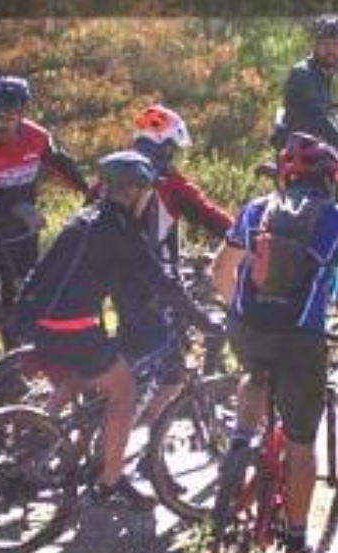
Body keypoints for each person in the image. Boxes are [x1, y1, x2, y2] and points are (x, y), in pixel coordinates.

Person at [13, 151, 221, 509]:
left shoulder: (83, 219)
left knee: (85, 372)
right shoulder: (121, 231)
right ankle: (109, 481)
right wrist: (203, 321)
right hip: (71, 325)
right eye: (148, 193)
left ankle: (36, 438)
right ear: (137, 192)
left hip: (35, 318)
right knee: (123, 390)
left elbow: (44, 270)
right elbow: (160, 281)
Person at [209, 132, 338, 553]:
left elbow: (220, 272)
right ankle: (296, 543)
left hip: (247, 329)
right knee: (301, 442)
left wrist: (243, 312)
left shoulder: (255, 210)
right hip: (300, 337)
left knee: (254, 373)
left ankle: (241, 445)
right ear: (331, 179)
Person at [0, 75, 89, 361]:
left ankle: (11, 374)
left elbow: (61, 165)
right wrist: (14, 207)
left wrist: (90, 192)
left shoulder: (38, 137)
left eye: (8, 116)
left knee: (21, 304)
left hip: (22, 236)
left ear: (22, 113)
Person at [121, 105, 234, 426]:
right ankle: (136, 444)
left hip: (111, 279)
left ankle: (134, 435)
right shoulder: (170, 183)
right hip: (153, 284)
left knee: (134, 356)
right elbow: (212, 217)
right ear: (167, 146)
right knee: (170, 369)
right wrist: (252, 238)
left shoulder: (115, 173)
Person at [272, 14, 338, 154]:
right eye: (326, 44)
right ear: (315, 44)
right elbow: (319, 119)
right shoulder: (302, 74)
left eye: (337, 44)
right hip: (300, 162)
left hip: (317, 154)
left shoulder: (322, 76)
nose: (331, 50)